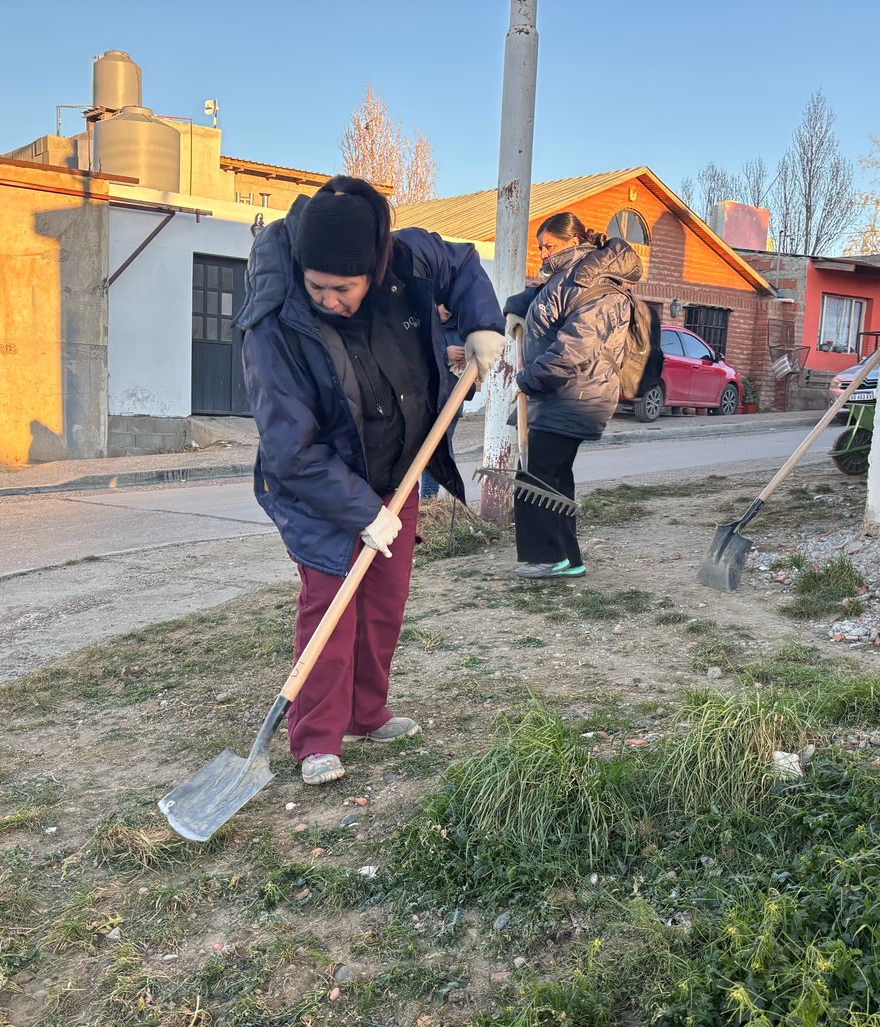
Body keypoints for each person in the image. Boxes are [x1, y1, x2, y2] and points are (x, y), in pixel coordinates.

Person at [238, 176, 505, 786]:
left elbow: (462, 262)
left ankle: (366, 713)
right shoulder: (274, 323)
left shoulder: (404, 258)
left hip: (398, 471)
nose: (329, 299)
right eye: (319, 287)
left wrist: (482, 323)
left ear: (373, 267)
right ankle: (315, 740)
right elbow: (289, 450)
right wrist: (360, 510)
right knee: (331, 608)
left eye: (344, 288)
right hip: (319, 487)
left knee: (383, 601)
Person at [506, 211, 643, 580]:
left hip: (576, 395)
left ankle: (550, 558)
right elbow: (546, 300)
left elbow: (575, 349)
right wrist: (518, 306)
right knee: (552, 476)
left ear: (573, 242)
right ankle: (568, 558)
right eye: (540, 248)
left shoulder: (599, 285)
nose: (543, 254)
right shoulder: (571, 276)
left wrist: (528, 380)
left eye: (548, 246)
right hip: (561, 394)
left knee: (537, 475)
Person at [420, 304, 466, 500]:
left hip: (451, 400)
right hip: (425, 400)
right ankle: (437, 501)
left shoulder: (462, 329)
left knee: (436, 451)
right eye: (441, 303)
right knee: (432, 451)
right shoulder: (420, 325)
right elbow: (413, 356)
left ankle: (431, 501)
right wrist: (444, 354)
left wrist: (467, 360)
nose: (447, 308)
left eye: (450, 303)